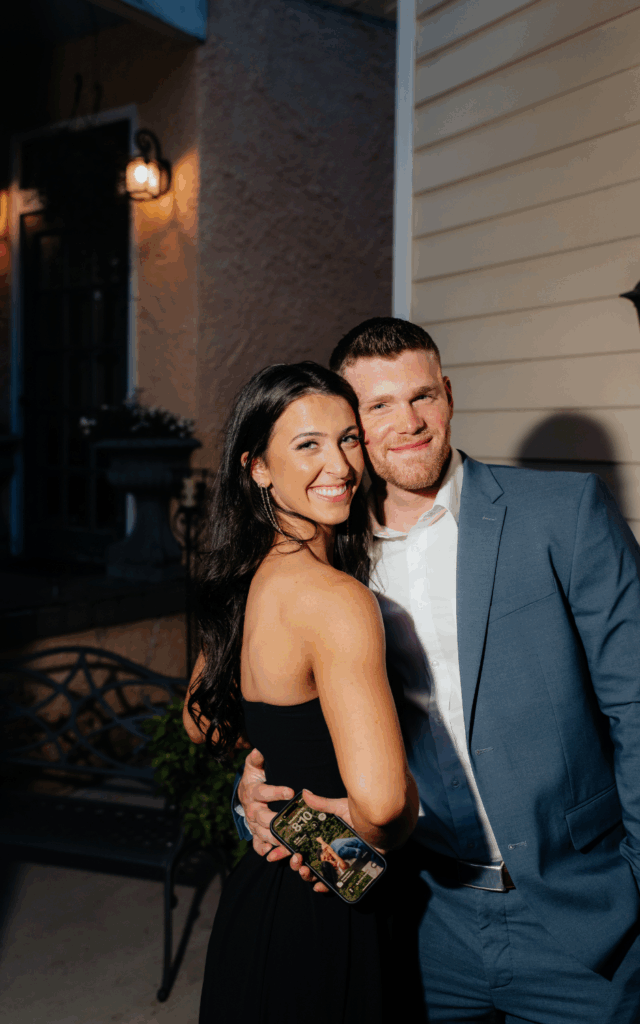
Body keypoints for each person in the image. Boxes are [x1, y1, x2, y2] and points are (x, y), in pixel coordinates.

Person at [237, 319, 640, 1024]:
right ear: (350, 427)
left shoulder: (562, 514)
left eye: (422, 396)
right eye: (377, 408)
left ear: (447, 395)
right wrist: (255, 801)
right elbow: (287, 717)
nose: (408, 423)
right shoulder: (331, 565)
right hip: (415, 922)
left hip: (582, 926)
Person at [183, 360, 419, 1024]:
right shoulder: (336, 600)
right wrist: (399, 803)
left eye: (347, 439)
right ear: (257, 466)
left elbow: (202, 725)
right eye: (307, 444)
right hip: (328, 904)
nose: (339, 464)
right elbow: (379, 804)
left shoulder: (241, 576)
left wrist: (267, 790)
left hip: (262, 893)